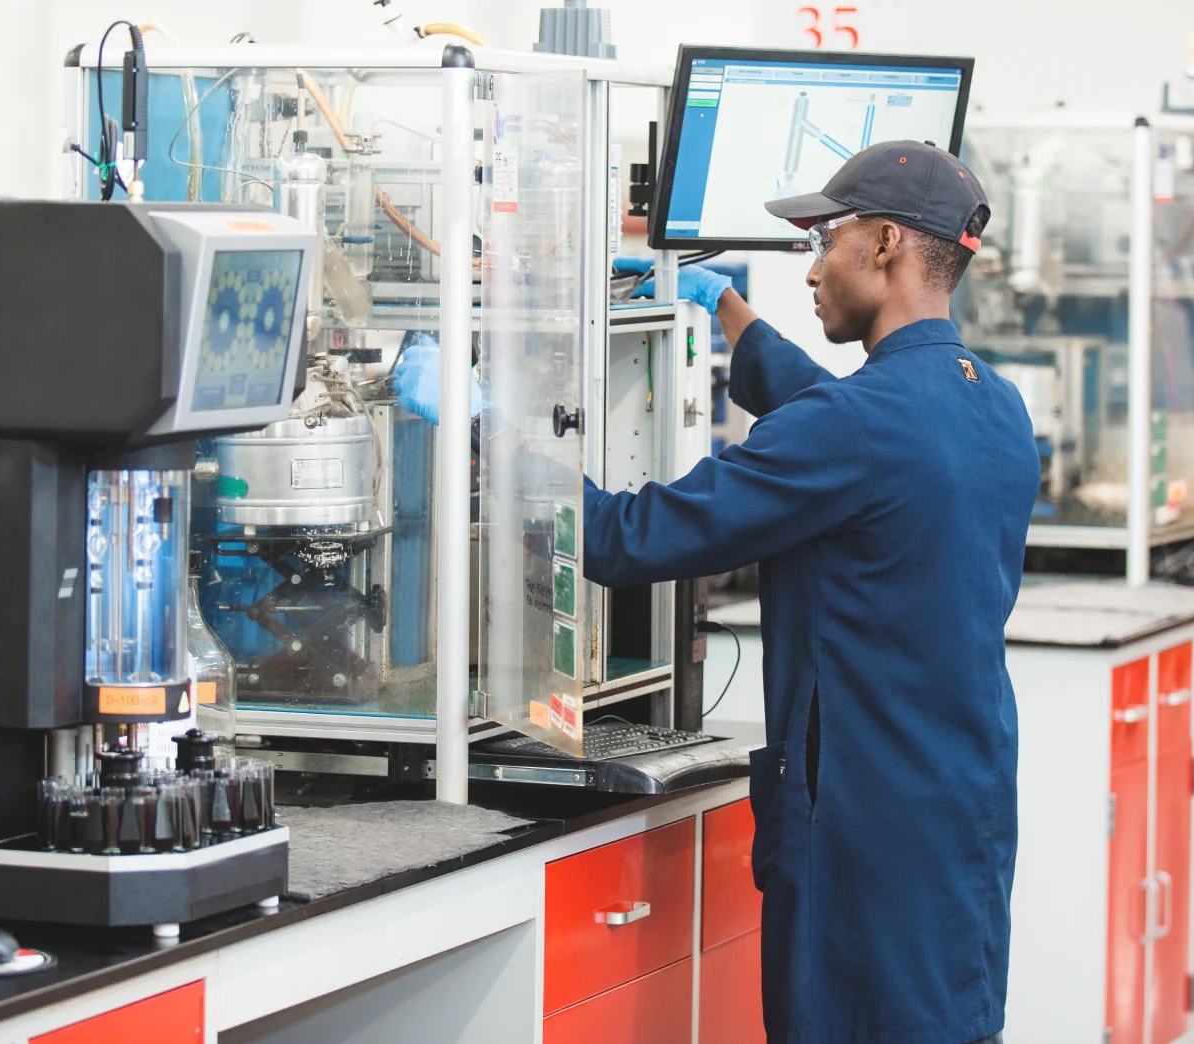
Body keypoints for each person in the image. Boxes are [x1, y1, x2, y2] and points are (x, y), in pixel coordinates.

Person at [398, 140, 1039, 1044]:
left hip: (862, 832)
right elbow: (850, 425)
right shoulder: (990, 404)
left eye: (828, 242)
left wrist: (487, 431)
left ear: (887, 243)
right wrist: (727, 307)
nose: (813, 270)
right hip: (961, 813)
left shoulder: (851, 430)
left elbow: (622, 538)